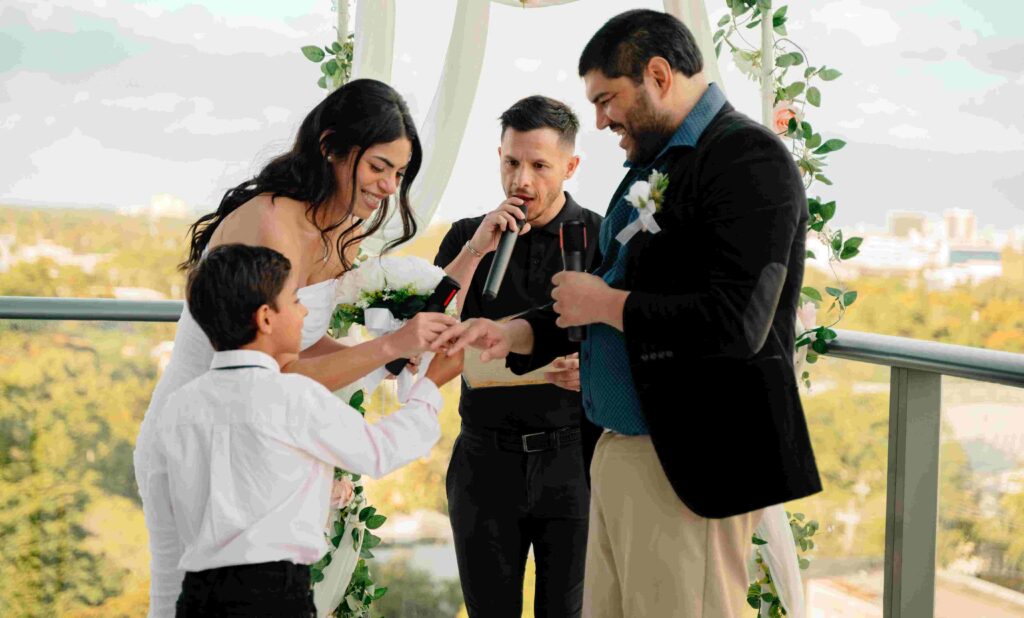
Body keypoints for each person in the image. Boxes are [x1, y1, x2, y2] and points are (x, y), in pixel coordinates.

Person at [434, 10, 822, 617]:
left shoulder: (747, 158)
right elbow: (602, 288)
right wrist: (514, 329)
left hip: (689, 459)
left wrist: (608, 304)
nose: (599, 120)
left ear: (659, 75)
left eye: (607, 99)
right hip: (618, 454)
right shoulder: (655, 165)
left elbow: (736, 322)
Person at [134, 78, 457, 617]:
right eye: (379, 167)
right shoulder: (273, 221)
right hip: (200, 441)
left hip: (259, 443)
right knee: (175, 603)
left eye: (399, 174)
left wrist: (394, 355)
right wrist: (390, 349)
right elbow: (280, 371)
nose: (388, 187)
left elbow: (304, 342)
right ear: (331, 146)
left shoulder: (340, 226)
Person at [146, 243, 463, 617]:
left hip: (195, 598)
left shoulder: (177, 407)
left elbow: (214, 489)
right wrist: (430, 387)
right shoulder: (293, 396)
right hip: (273, 598)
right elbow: (379, 451)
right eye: (295, 300)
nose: (305, 312)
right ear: (266, 318)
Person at [434, 95, 603, 617]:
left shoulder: (600, 238)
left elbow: (632, 338)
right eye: (511, 162)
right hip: (484, 462)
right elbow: (430, 329)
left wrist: (595, 371)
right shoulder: (467, 237)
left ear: (571, 167)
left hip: (574, 462)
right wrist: (477, 251)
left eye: (539, 166)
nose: (521, 180)